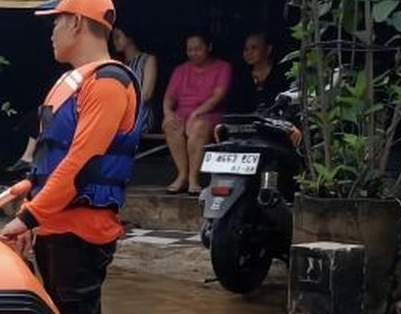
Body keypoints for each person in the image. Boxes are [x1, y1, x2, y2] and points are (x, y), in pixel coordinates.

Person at [0, 0, 141, 314]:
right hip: (56, 224)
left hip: (83, 228)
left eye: (56, 22)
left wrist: (28, 218)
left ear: (77, 23)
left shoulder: (110, 83)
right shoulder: (69, 84)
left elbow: (81, 163)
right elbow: (50, 161)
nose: (51, 33)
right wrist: (33, 207)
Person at [162, 31, 231, 194]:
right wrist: (168, 113)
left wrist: (197, 113)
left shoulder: (222, 67)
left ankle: (194, 179)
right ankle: (182, 175)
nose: (193, 53)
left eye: (198, 49)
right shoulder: (180, 70)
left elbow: (218, 96)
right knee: (171, 125)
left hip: (210, 113)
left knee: (198, 127)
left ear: (209, 47)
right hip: (183, 113)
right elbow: (169, 98)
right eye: (190, 49)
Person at [111, 25, 158, 128]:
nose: (115, 41)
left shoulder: (147, 60)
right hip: (119, 113)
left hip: (140, 114)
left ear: (129, 37)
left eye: (118, 37)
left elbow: (146, 94)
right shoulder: (118, 64)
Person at [230, 31, 287, 113]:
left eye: (254, 48)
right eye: (245, 49)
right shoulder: (241, 76)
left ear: (268, 49)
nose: (249, 53)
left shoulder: (282, 73)